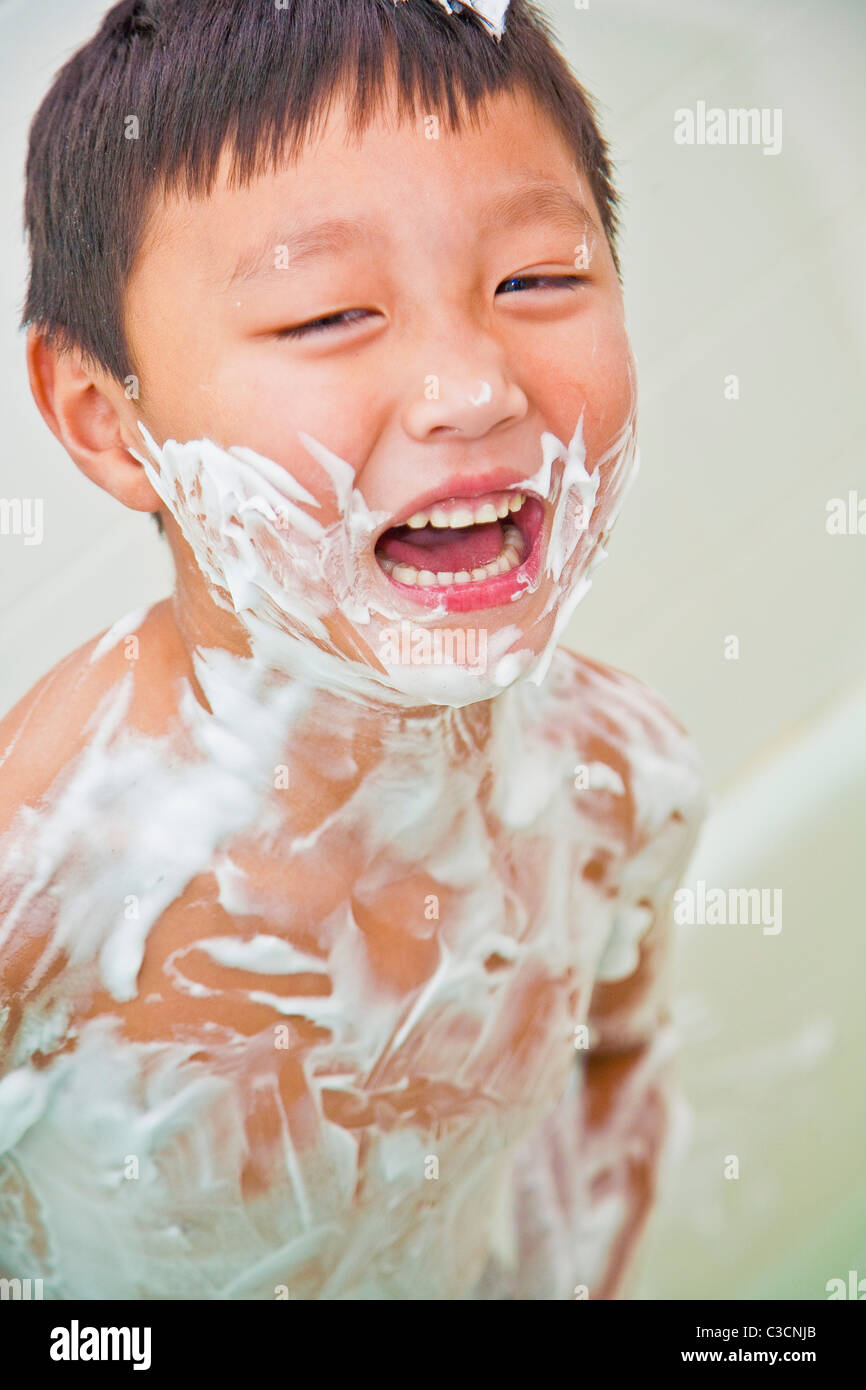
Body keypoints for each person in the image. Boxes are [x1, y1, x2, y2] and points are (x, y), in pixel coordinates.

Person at [0, 0, 705, 1299]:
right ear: (105, 420)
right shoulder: (45, 869)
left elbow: (612, 1076)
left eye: (536, 280)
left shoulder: (619, 781)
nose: (473, 383)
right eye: (326, 314)